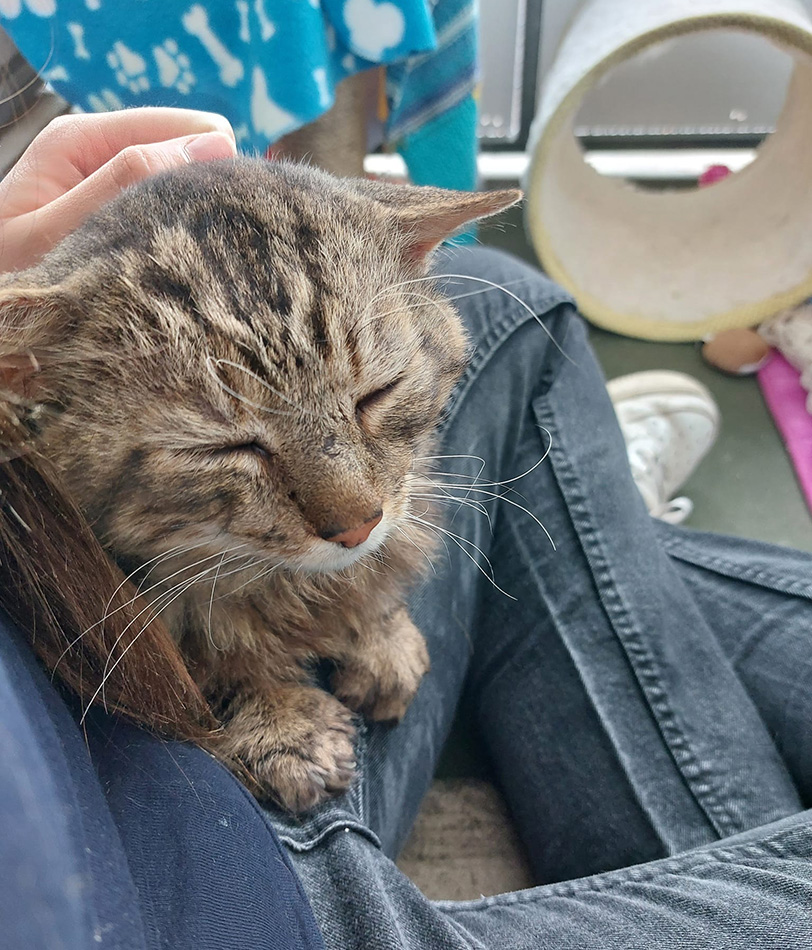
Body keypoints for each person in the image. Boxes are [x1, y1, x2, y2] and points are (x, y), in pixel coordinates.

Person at [1, 108, 811, 950]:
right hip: (228, 878)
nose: (352, 511)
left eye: (374, 400)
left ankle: (593, 532)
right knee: (527, 347)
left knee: (508, 303)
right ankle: (594, 526)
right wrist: (241, 693)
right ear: (25, 383)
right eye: (226, 447)